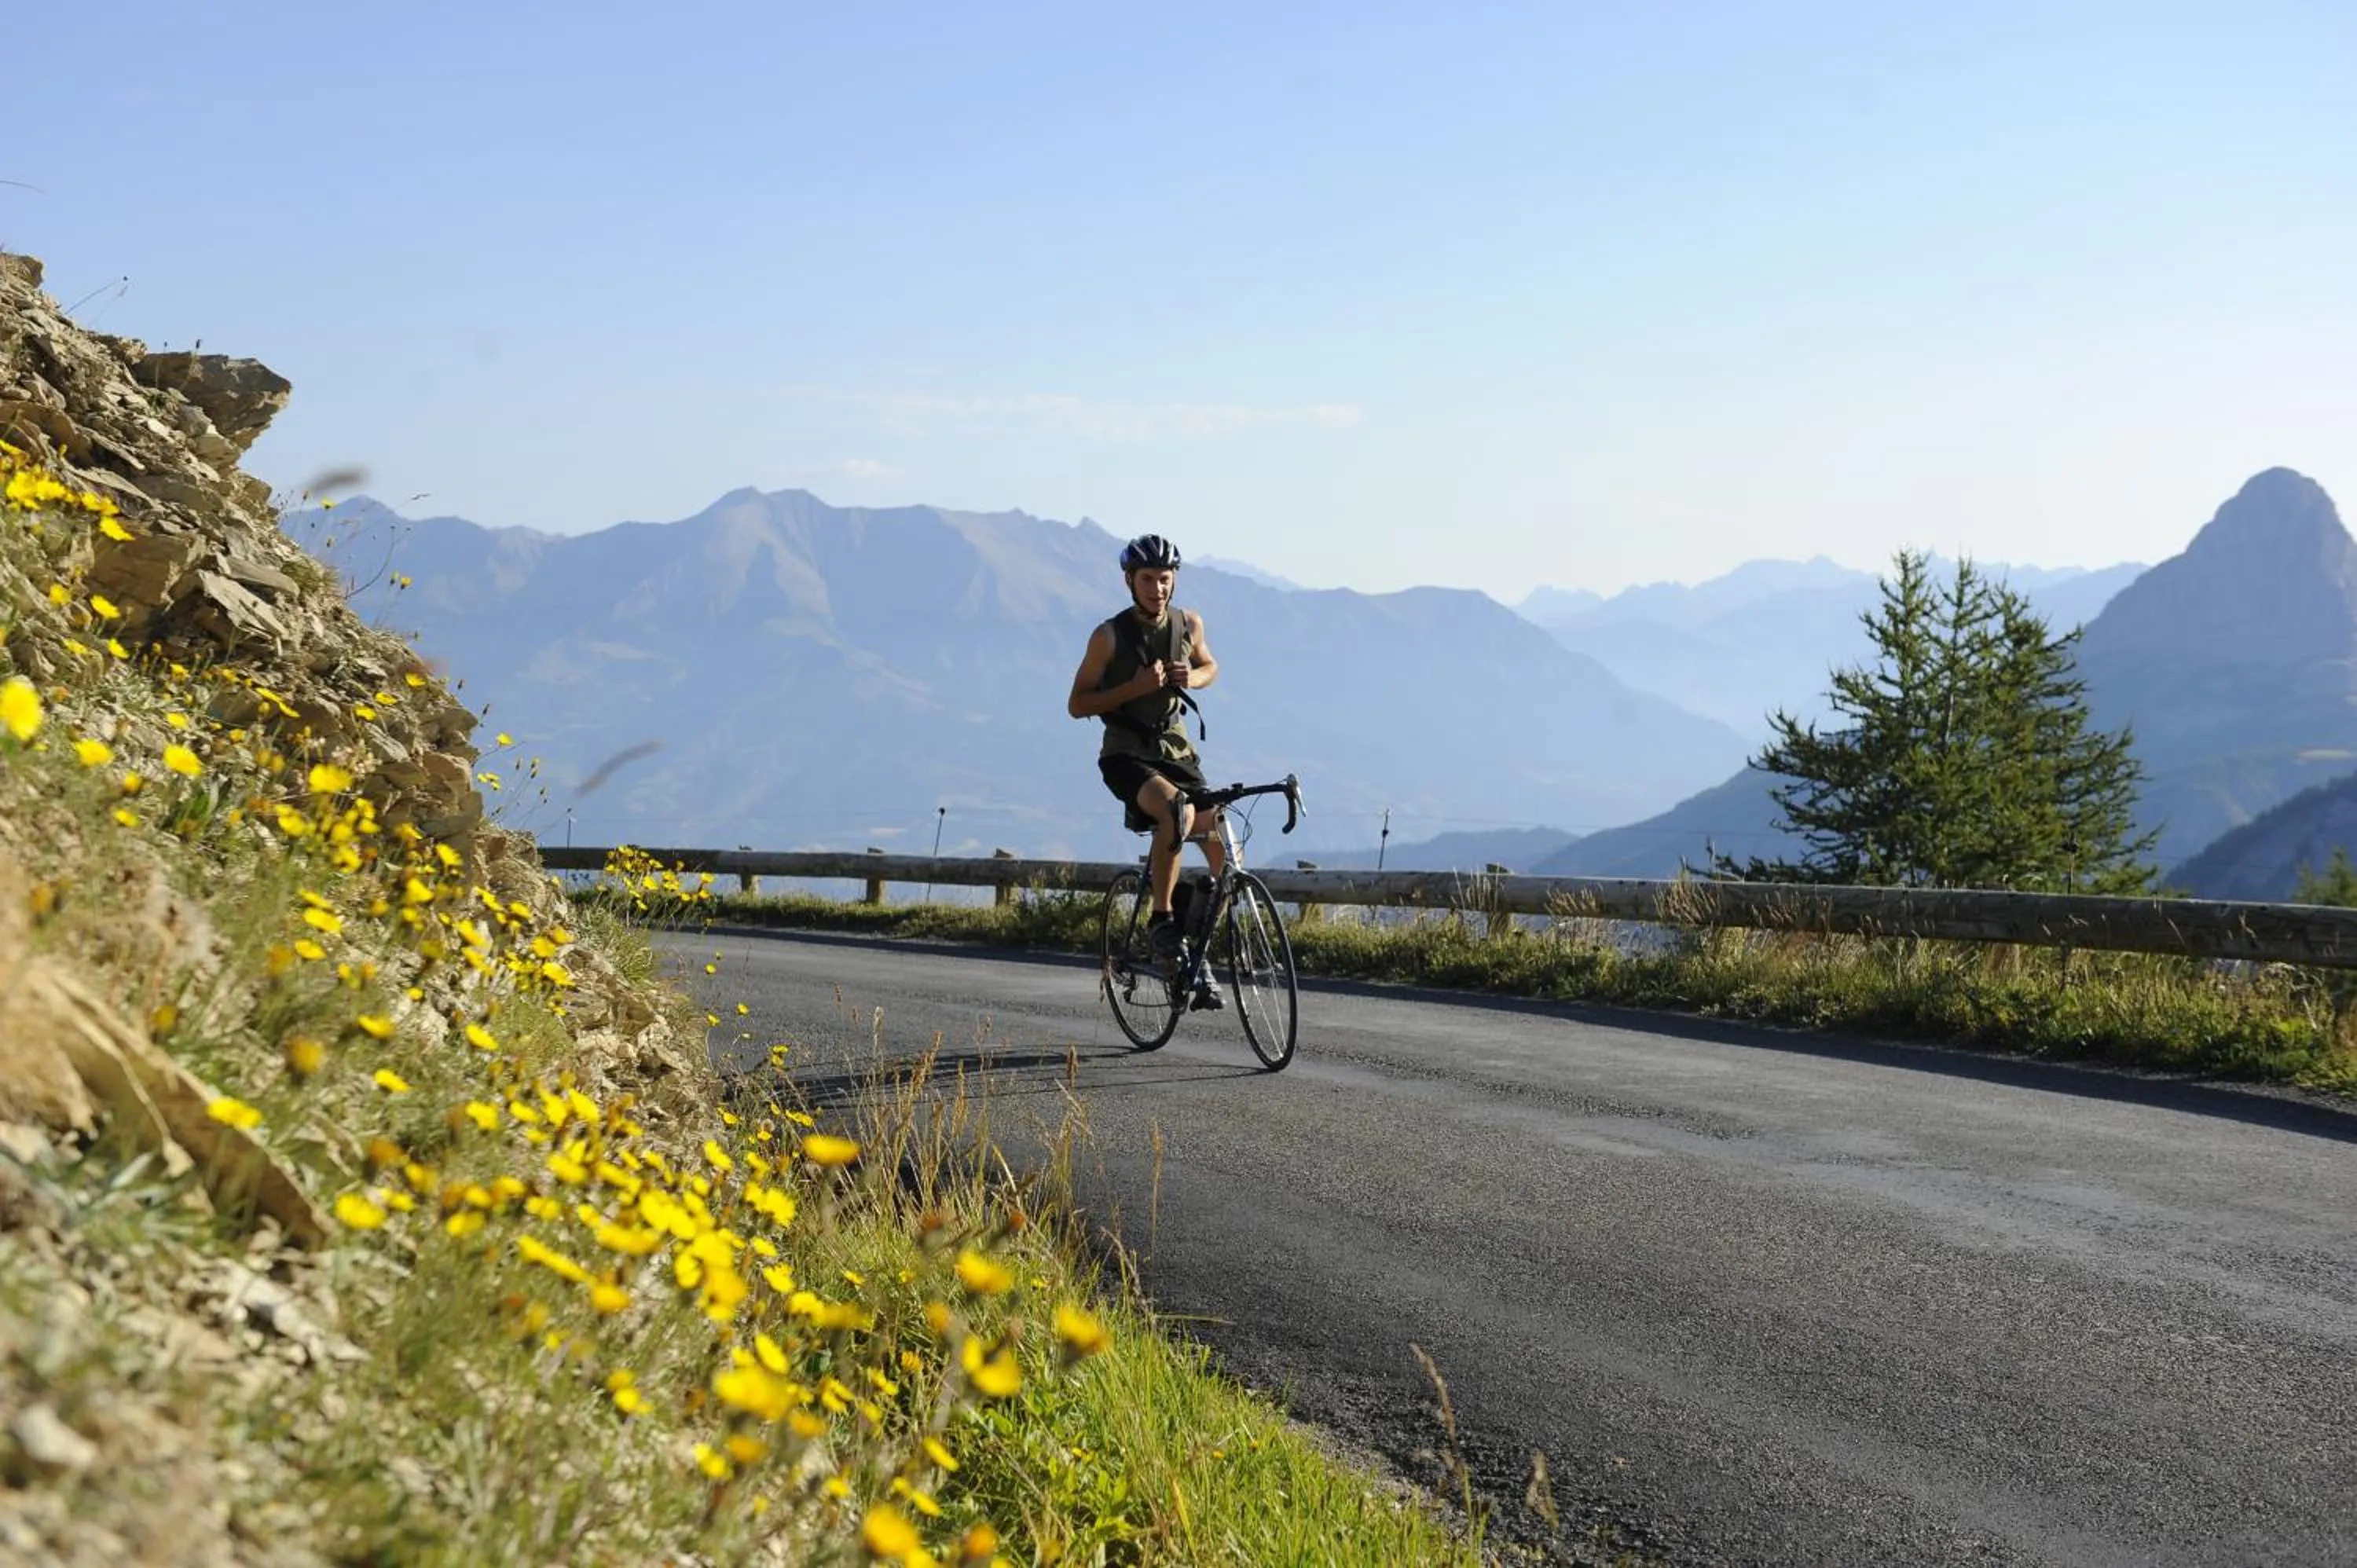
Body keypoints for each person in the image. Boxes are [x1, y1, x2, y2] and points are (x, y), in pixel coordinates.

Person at [1066, 533, 1227, 987]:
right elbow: (1077, 704)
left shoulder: (1189, 624)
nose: (1157, 588)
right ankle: (1161, 922)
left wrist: (1192, 678)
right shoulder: (1108, 636)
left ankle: (1196, 950)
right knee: (1177, 810)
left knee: (1221, 837)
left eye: (1164, 579)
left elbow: (1211, 666)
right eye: (1148, 580)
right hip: (1124, 754)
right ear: (1129, 582)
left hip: (1176, 751)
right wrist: (1132, 690)